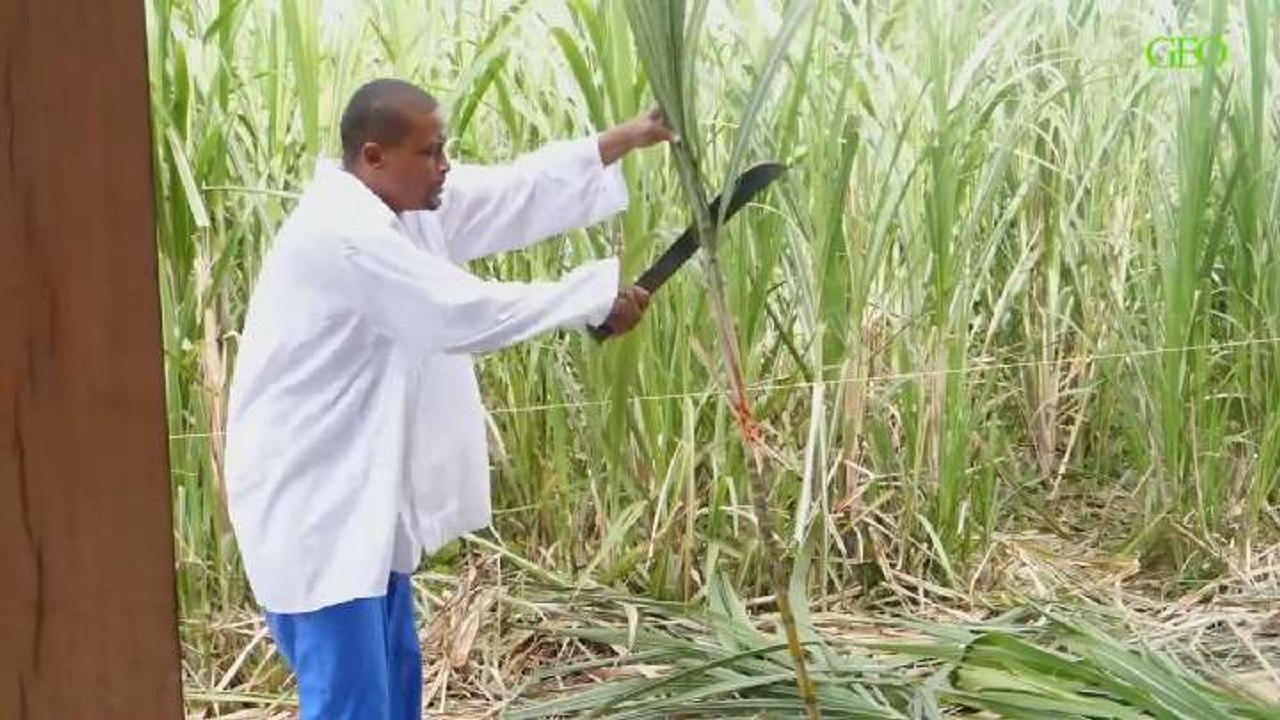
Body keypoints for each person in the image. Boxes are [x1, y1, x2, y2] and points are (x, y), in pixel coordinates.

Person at [223, 78, 673, 719]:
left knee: (394, 692)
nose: (445, 167)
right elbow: (455, 312)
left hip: (362, 505)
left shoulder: (404, 206)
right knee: (353, 706)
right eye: (431, 152)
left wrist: (628, 137)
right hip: (315, 510)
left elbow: (517, 191)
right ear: (374, 157)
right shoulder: (345, 234)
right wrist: (589, 300)